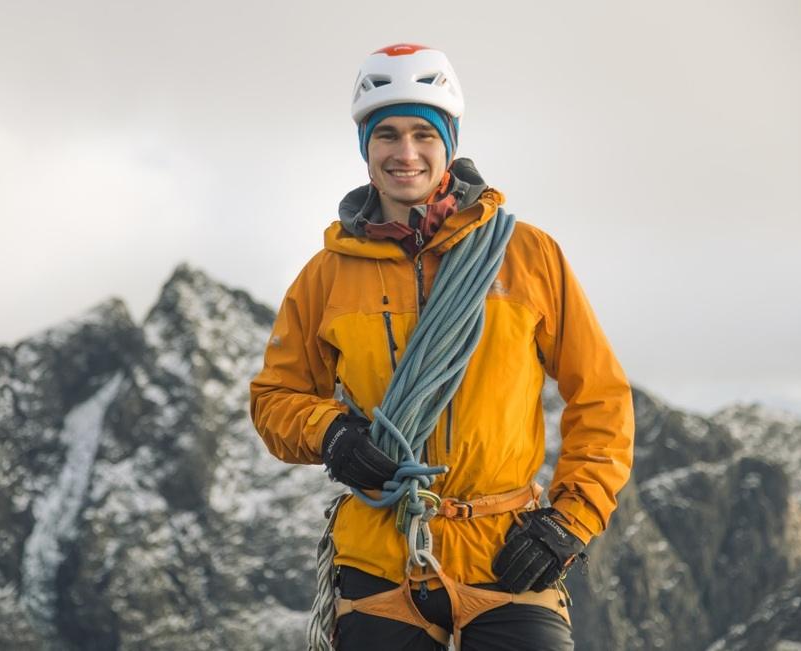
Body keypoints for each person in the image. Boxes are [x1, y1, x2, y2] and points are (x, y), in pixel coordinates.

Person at [250, 43, 634, 651]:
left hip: (506, 551)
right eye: (388, 136)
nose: (406, 154)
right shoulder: (327, 275)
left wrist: (568, 523)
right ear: (365, 148)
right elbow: (275, 399)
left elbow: (603, 398)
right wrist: (332, 434)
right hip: (381, 554)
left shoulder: (528, 256)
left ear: (449, 142)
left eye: (424, 135)